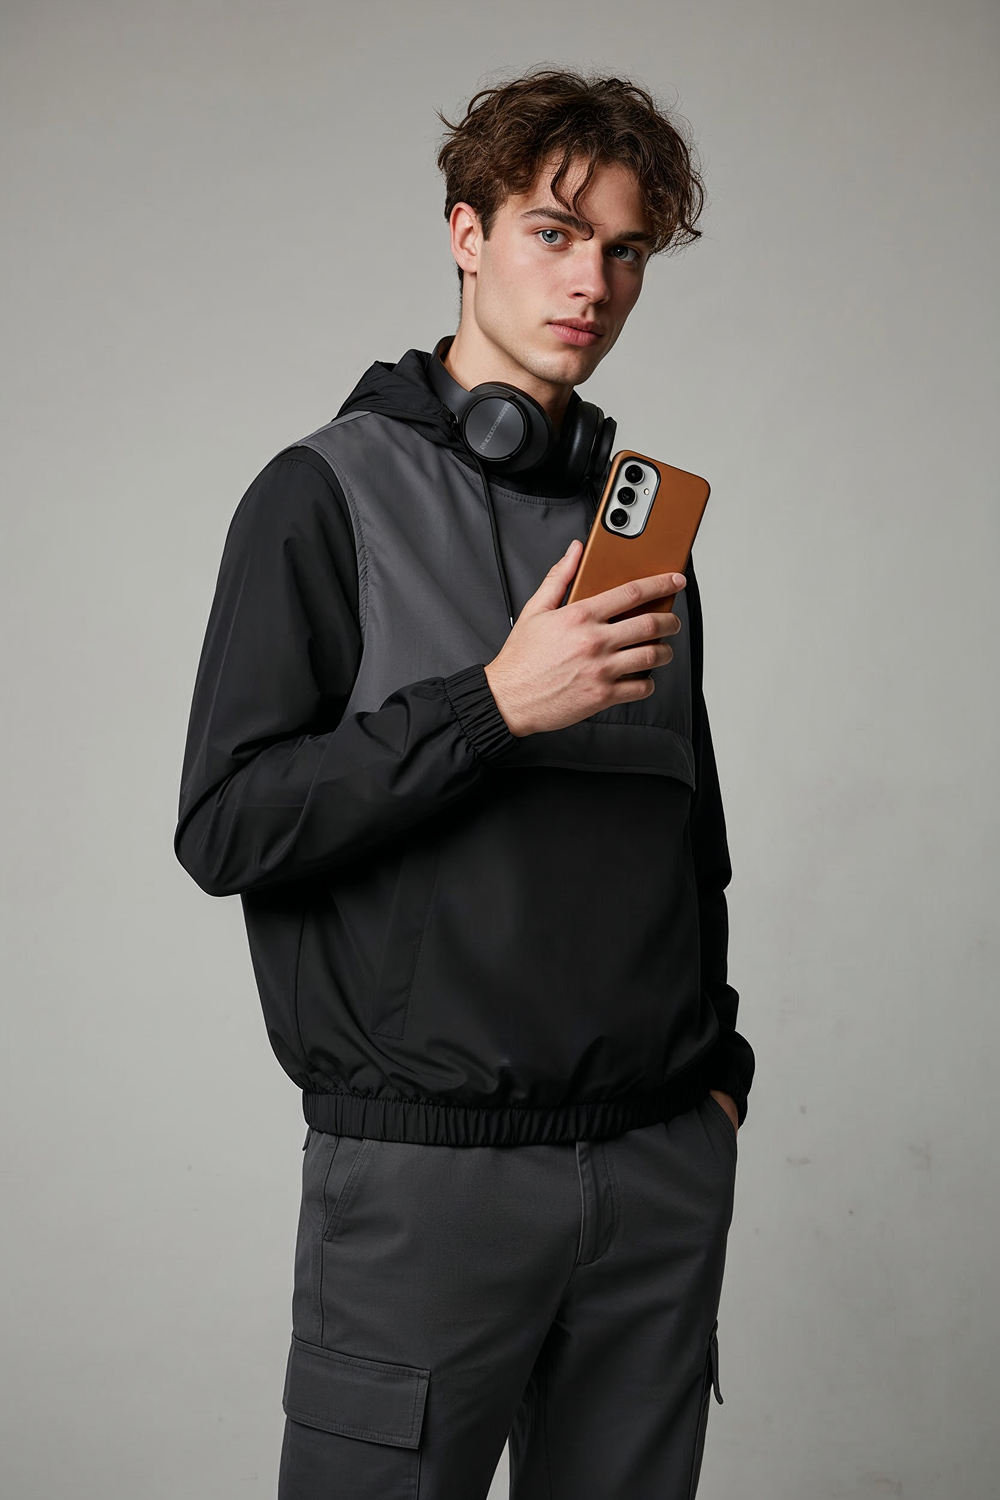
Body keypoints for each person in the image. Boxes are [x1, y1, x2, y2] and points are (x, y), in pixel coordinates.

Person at [174, 65, 754, 1500]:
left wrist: (718, 1084)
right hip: (428, 1186)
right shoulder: (321, 496)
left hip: (658, 1174)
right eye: (556, 232)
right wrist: (494, 706)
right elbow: (228, 824)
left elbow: (691, 838)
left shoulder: (640, 536)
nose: (593, 283)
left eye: (626, 250)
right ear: (467, 234)